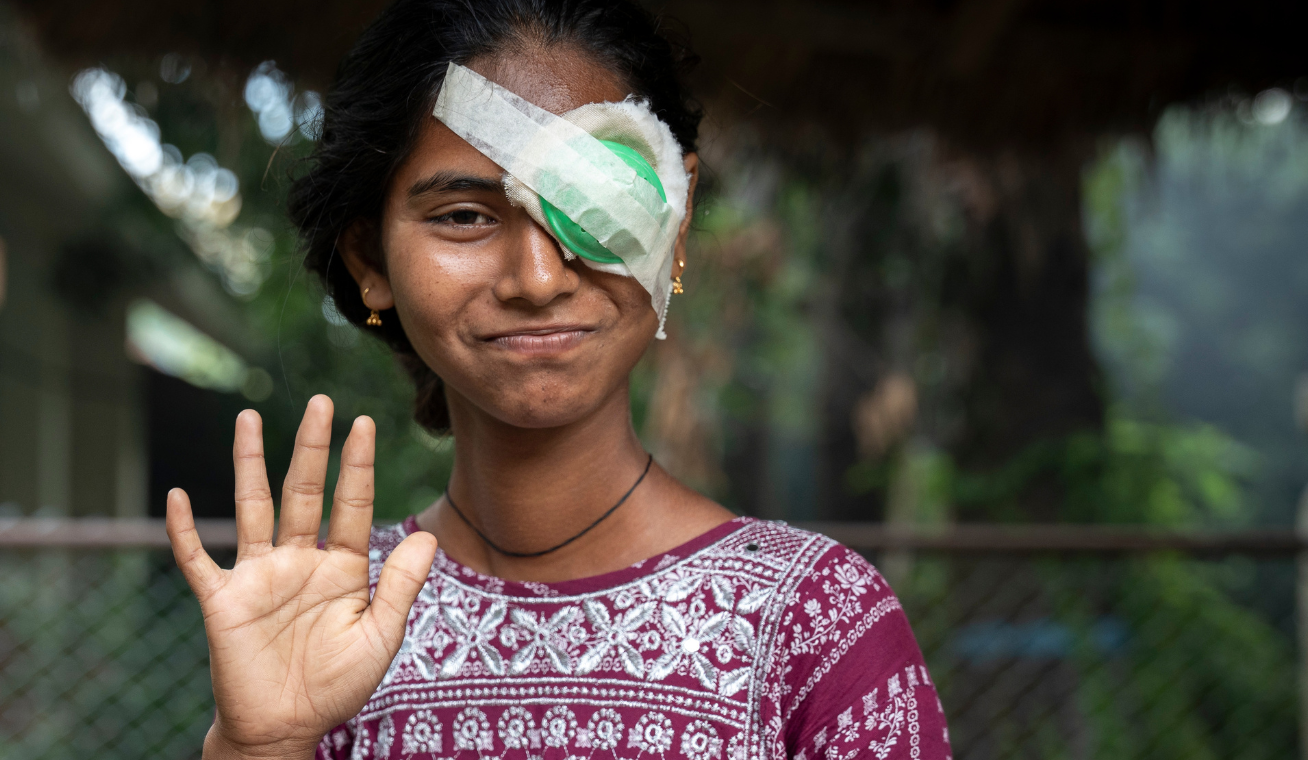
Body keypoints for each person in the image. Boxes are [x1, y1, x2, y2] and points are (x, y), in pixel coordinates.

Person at [162, 1, 952, 759]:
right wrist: (261, 747)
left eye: (595, 203)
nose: (537, 279)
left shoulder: (818, 624)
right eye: (464, 216)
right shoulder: (325, 622)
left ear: (674, 228)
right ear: (371, 259)